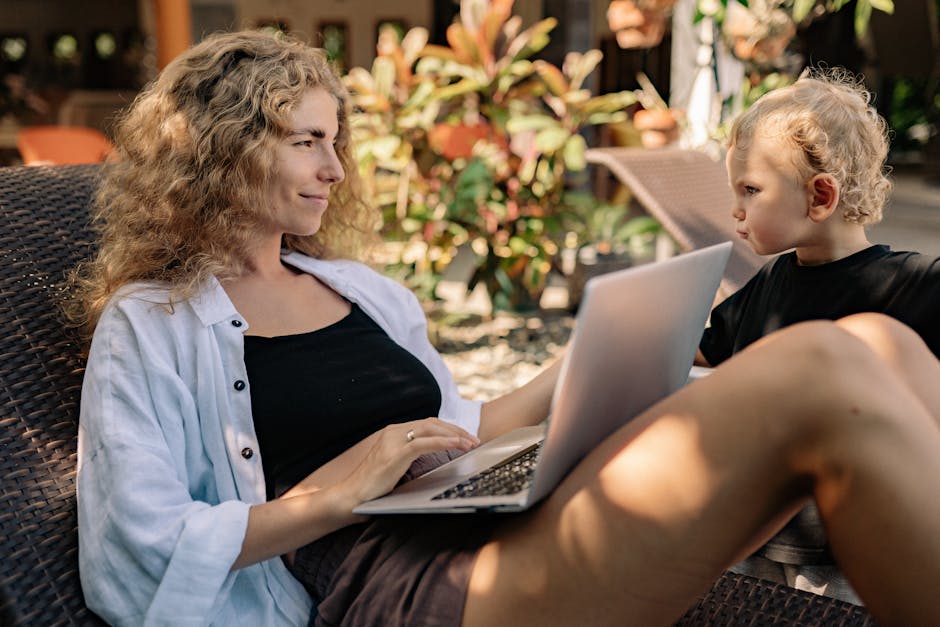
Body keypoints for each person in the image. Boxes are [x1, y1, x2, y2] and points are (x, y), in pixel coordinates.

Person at [70, 30, 940, 626]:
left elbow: (471, 422)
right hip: (407, 580)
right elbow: (130, 550)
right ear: (221, 148)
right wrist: (334, 492)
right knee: (826, 362)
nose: (336, 169)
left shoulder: (358, 291)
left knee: (882, 342)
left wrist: (610, 352)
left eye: (336, 142)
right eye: (308, 142)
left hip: (489, 507)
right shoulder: (153, 324)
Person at [697, 69, 940, 368]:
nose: (736, 209)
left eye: (750, 189)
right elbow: (702, 351)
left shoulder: (918, 286)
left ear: (820, 197)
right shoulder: (770, 282)